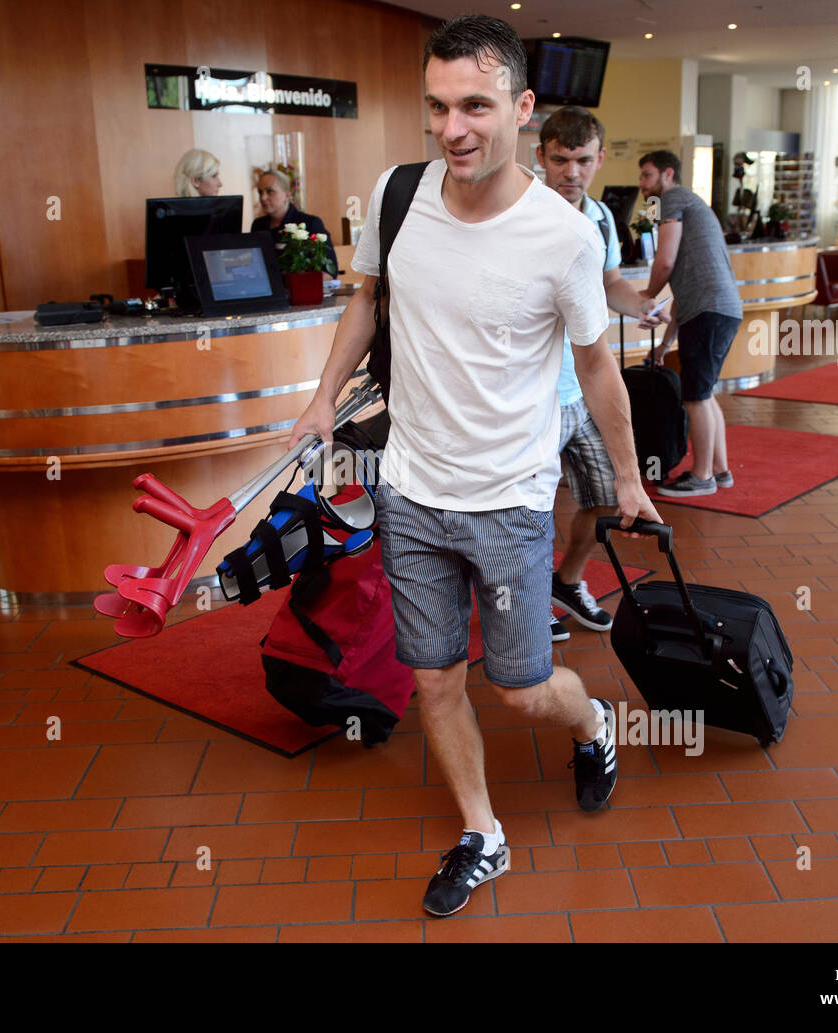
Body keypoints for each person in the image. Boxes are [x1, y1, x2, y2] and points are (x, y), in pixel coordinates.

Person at [287, 14, 661, 918]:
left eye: (477, 106)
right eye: (438, 104)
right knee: (434, 677)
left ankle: (592, 721)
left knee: (525, 688)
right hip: (411, 487)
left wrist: (630, 478)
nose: (452, 127)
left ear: (524, 109)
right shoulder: (397, 193)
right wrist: (320, 394)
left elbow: (596, 364)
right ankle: (482, 833)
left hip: (512, 498)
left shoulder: (563, 237)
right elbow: (366, 304)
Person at [536, 106, 669, 642]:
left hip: (584, 388)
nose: (572, 173)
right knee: (531, 510)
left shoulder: (600, 217)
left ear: (600, 158)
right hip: (535, 395)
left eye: (583, 161)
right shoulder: (521, 213)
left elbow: (609, 282)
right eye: (561, 160)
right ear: (541, 156)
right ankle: (524, 598)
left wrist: (638, 303)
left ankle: (566, 581)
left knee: (603, 499)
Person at [638, 150, 742, 497]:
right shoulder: (688, 203)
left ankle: (701, 478)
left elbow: (664, 262)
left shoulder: (674, 198)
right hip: (718, 309)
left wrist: (645, 297)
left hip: (710, 310)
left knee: (695, 397)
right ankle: (720, 470)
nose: (642, 184)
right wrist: (665, 345)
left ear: (668, 175)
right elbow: (683, 292)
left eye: (648, 175)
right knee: (704, 393)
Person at [252, 167, 338, 274]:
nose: (263, 198)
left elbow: (330, 272)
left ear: (287, 195)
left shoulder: (310, 223)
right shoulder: (258, 225)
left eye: (270, 191)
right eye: (260, 192)